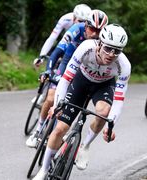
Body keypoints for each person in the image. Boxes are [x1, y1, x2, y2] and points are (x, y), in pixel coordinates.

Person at [32, 24, 131, 180]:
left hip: (103, 86)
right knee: (60, 128)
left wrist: (110, 125)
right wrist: (58, 105)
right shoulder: (86, 48)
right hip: (81, 81)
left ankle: (85, 145)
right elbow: (65, 79)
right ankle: (43, 170)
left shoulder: (124, 65)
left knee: (104, 112)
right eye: (108, 48)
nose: (112, 54)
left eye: (117, 51)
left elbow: (119, 100)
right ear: (99, 43)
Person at [26, 10, 109, 148]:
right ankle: (38, 130)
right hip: (67, 61)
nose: (95, 34)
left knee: (73, 102)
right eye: (92, 29)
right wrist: (48, 70)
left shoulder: (103, 39)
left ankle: (59, 136)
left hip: (83, 70)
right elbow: (58, 52)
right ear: (86, 25)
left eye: (99, 31)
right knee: (51, 97)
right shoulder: (76, 29)